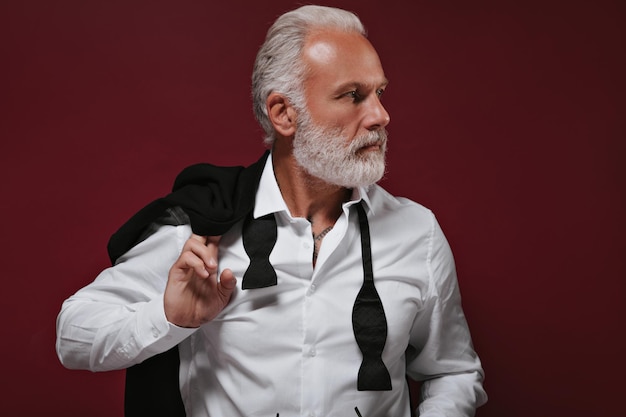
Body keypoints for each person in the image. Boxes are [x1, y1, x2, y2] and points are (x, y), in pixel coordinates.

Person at [56, 5, 487, 417]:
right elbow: (73, 335)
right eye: (353, 95)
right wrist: (169, 319)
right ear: (283, 113)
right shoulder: (203, 230)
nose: (380, 115)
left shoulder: (417, 233)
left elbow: (452, 371)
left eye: (379, 93)